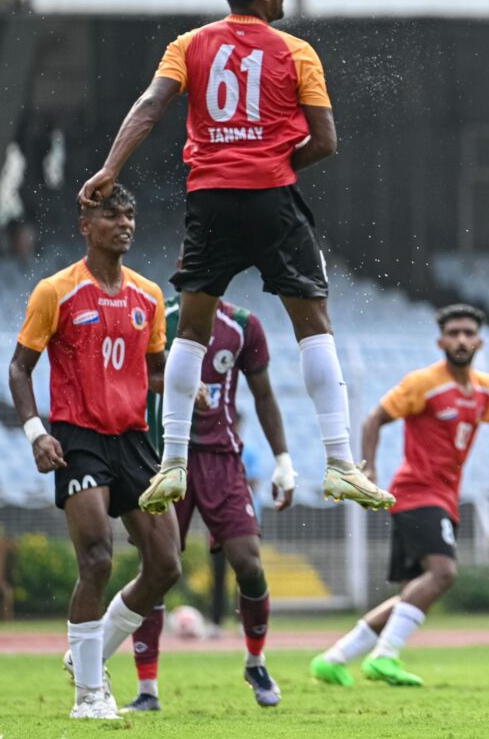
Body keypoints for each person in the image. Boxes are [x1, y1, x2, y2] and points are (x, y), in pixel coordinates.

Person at [75, 0, 393, 520]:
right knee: (313, 325)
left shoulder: (189, 44)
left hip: (211, 201)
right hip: (273, 199)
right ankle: (342, 464)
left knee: (190, 329)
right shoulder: (297, 52)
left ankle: (170, 461)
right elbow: (325, 141)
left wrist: (109, 168)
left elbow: (149, 107)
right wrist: (273, 163)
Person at [8, 184, 182, 720]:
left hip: (133, 439)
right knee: (98, 559)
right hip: (78, 439)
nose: (124, 223)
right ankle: (88, 696)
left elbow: (153, 372)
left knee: (166, 565)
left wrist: (179, 385)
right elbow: (20, 369)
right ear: (86, 225)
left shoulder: (148, 295)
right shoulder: (55, 291)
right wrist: (37, 432)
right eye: (111, 215)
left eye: (130, 214)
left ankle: (86, 656)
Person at [311, 305, 489, 687]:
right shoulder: (424, 382)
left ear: (478, 340)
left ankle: (335, 658)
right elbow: (373, 419)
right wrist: (370, 469)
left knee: (412, 593)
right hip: (416, 492)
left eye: (468, 333)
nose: (461, 339)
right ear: (441, 340)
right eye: (454, 333)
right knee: (443, 573)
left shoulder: (484, 390)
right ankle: (384, 656)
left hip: (444, 497)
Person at [124, 297, 298, 712]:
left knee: (249, 563)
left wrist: (283, 461)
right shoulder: (154, 317)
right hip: (166, 458)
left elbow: (263, 394)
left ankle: (255, 663)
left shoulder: (242, 325)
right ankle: (147, 689)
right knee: (157, 569)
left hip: (222, 458)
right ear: (184, 266)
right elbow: (133, 379)